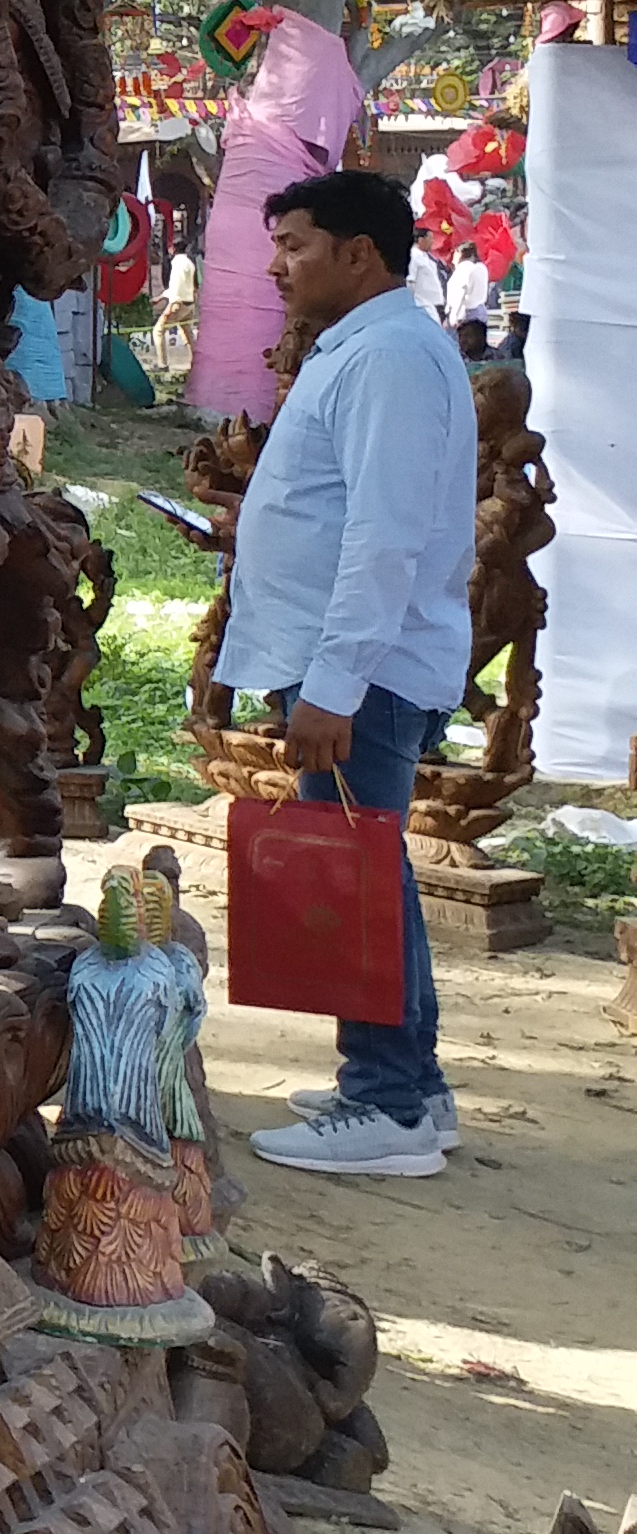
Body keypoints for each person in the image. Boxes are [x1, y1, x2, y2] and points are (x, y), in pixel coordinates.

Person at [225, 166, 481, 1178]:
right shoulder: (370, 347)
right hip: (343, 662)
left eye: (294, 244)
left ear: (357, 254)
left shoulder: (388, 359)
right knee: (374, 869)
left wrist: (334, 681)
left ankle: (384, 1102)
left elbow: (384, 535)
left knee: (356, 876)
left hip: (359, 674)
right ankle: (410, 1086)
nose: (278, 266)